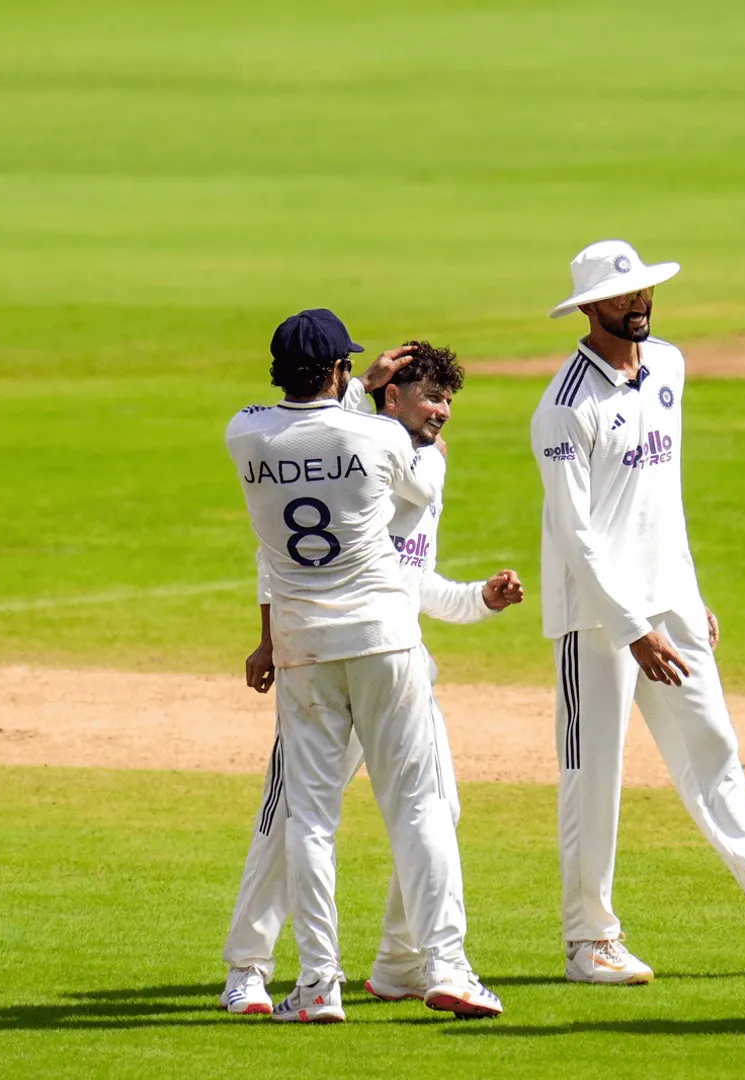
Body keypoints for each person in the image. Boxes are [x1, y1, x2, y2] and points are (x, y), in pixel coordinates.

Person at [529, 240, 745, 984]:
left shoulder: (670, 368)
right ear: (590, 308)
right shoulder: (563, 408)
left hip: (670, 604)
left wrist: (684, 597)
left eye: (644, 292)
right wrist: (632, 628)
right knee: (594, 774)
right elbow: (575, 532)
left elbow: (661, 503)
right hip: (596, 621)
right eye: (623, 297)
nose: (639, 304)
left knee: (713, 748)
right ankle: (588, 940)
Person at [220, 341, 522, 1018]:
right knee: (295, 819)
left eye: (448, 400)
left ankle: (396, 964)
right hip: (363, 650)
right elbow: (277, 553)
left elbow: (414, 580)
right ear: (382, 395)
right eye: (429, 397)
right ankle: (248, 968)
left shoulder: (259, 433)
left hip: (352, 644)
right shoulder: (391, 448)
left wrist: (478, 599)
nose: (441, 412)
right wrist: (266, 637)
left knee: (426, 810)